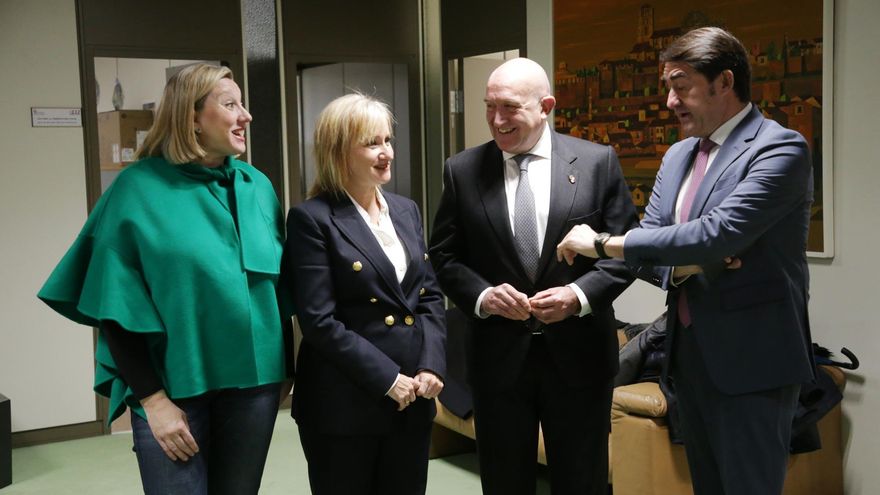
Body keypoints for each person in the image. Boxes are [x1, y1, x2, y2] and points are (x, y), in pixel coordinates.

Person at [556, 27, 815, 495]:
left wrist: (600, 243)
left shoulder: (780, 148)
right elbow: (662, 244)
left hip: (754, 361)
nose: (670, 101)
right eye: (667, 88)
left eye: (681, 85)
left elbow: (716, 234)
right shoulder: (677, 156)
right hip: (687, 356)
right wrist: (690, 259)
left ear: (724, 82)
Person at [38, 63, 289, 495]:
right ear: (191, 116)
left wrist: (287, 372)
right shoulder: (136, 190)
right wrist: (154, 402)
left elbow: (279, 292)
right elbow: (114, 306)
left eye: (242, 104)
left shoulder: (258, 186)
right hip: (174, 391)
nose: (245, 115)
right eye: (230, 105)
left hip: (255, 389)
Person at [429, 57, 639, 495]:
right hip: (497, 364)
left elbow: (626, 253)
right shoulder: (463, 171)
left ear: (546, 105)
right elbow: (445, 257)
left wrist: (578, 297)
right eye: (489, 106)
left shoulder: (598, 163)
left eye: (509, 107)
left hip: (579, 361)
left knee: (582, 483)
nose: (496, 120)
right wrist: (484, 296)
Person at [280, 93, 446, 495]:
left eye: (388, 140)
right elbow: (319, 320)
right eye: (372, 143)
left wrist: (430, 366)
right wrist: (388, 378)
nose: (386, 152)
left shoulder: (406, 210)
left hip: (411, 398)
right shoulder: (313, 219)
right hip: (345, 404)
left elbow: (428, 295)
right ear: (338, 151)